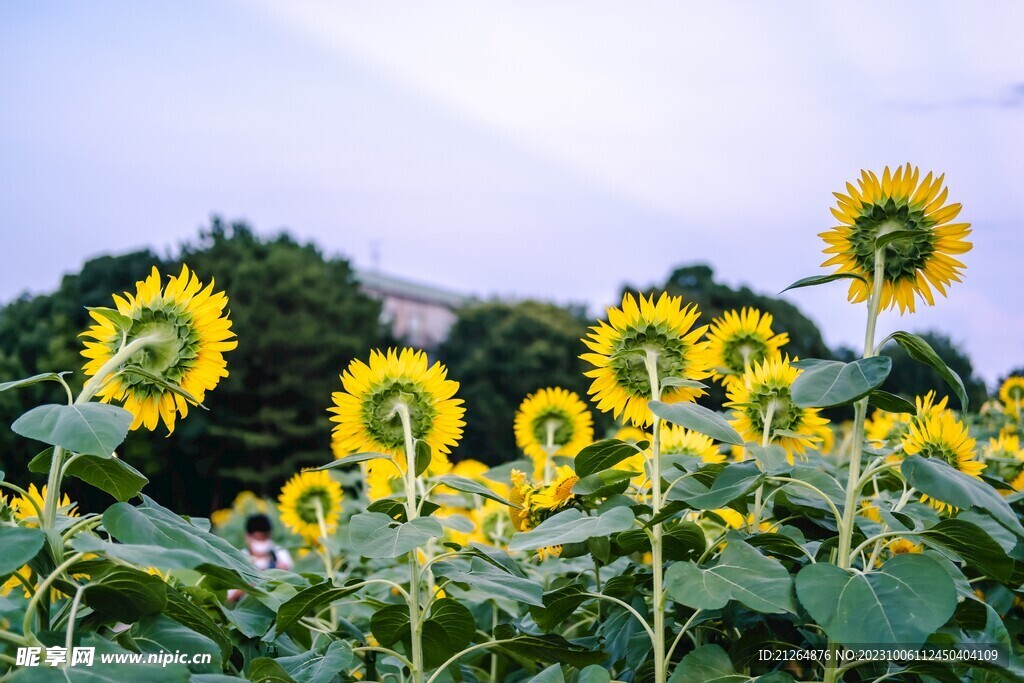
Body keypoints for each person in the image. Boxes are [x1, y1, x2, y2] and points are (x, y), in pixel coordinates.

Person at [227, 514, 293, 602]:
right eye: (259, 538)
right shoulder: (239, 559)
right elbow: (229, 599)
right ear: (248, 537)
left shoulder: (280, 554)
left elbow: (292, 583)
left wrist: (284, 573)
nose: (262, 542)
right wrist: (249, 586)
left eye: (265, 538)